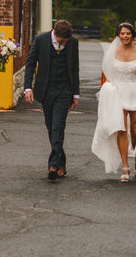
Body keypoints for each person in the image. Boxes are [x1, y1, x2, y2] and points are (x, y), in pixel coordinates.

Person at [91, 22, 136, 182]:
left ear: (133, 35)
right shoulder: (112, 53)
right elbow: (106, 74)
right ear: (118, 35)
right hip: (118, 93)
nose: (125, 36)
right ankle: (125, 166)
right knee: (121, 129)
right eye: (122, 34)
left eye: (128, 33)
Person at [22, 19, 80, 180]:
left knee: (57, 125)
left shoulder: (73, 43)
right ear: (55, 34)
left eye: (66, 42)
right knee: (51, 127)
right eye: (62, 41)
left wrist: (76, 94)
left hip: (64, 90)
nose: (64, 44)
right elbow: (30, 64)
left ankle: (53, 165)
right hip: (46, 90)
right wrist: (28, 88)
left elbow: (75, 68)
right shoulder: (41, 40)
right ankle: (61, 162)